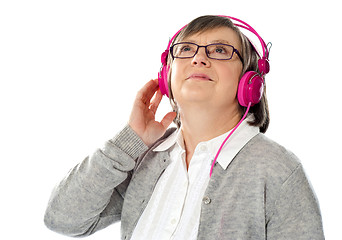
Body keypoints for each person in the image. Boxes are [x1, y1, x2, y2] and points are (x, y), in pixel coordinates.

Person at [44, 15, 325, 240]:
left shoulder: (278, 170)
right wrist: (128, 142)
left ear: (249, 83)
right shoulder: (147, 158)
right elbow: (63, 219)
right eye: (186, 49)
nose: (198, 58)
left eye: (219, 50)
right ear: (167, 78)